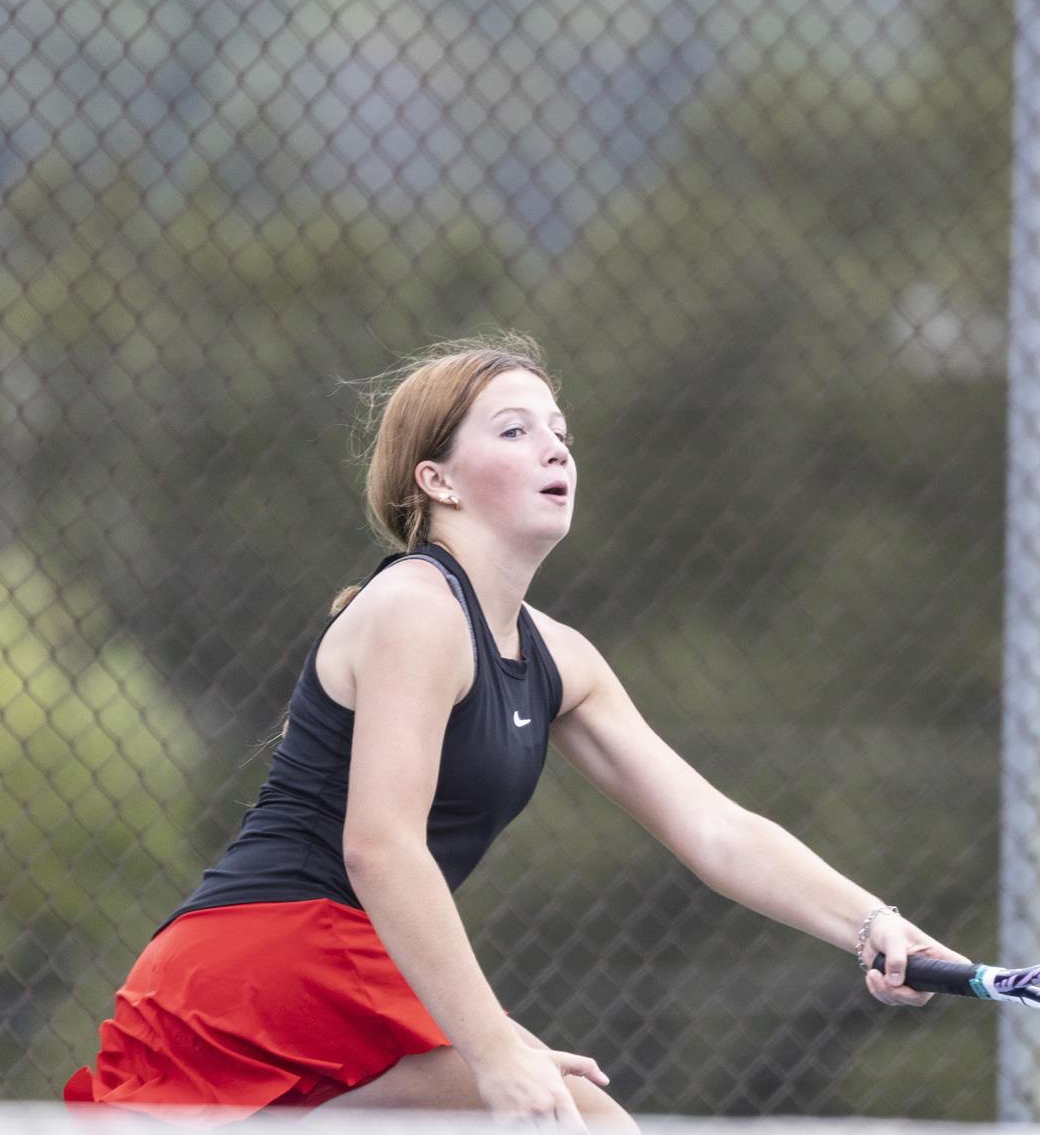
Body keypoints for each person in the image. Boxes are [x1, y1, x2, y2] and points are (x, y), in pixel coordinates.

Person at [66, 335, 965, 1126]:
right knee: (563, 1115)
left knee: (579, 1117)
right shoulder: (416, 607)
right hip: (257, 976)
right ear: (437, 479)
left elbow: (717, 829)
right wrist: (493, 1045)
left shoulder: (561, 659)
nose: (555, 447)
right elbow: (380, 847)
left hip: (359, 970)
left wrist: (874, 921)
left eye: (560, 431)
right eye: (515, 429)